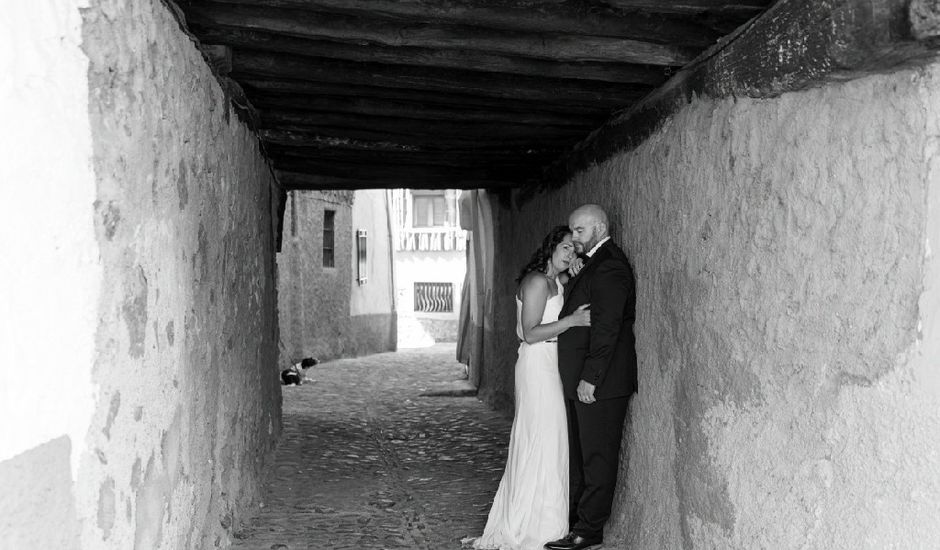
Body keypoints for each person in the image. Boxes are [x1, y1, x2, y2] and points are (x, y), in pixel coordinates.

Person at [468, 225, 591, 550]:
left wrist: (578, 269)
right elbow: (530, 332)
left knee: (552, 440)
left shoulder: (556, 281)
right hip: (537, 362)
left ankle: (547, 523)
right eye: (566, 247)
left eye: (574, 250)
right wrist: (571, 322)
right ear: (551, 247)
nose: (570, 254)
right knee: (538, 437)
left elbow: (574, 284)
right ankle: (527, 527)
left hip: (551, 361)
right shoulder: (537, 281)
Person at [545, 205, 637, 550]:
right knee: (583, 456)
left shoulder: (611, 265)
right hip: (584, 378)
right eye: (572, 231)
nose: (575, 238)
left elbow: (607, 328)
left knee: (597, 457)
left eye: (580, 231)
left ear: (599, 228)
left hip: (601, 382)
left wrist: (590, 379)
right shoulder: (593, 263)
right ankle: (577, 522)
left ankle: (588, 531)